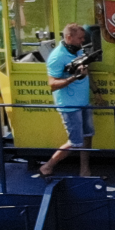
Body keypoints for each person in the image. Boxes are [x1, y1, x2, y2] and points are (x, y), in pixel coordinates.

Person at [38, 23, 93, 178]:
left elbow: (87, 72)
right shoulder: (57, 57)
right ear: (69, 37)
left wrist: (96, 91)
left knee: (88, 136)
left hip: (84, 102)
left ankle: (84, 170)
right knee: (75, 142)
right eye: (80, 38)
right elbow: (52, 85)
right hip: (70, 106)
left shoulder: (78, 50)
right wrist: (73, 77)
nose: (82, 41)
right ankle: (47, 166)